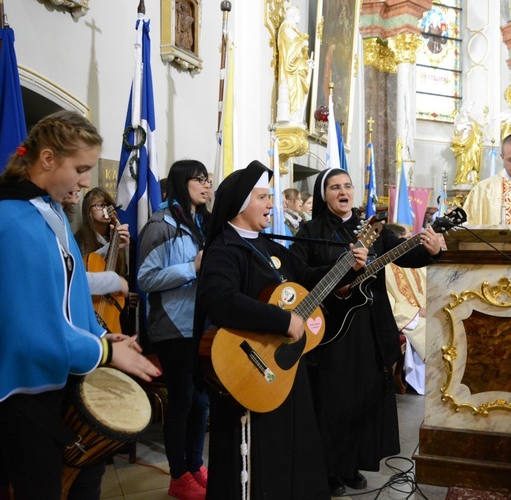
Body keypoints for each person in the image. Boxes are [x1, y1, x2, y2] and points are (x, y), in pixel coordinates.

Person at [0, 110, 161, 500]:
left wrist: (101, 333)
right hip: (21, 387)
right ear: (49, 159)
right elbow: (22, 331)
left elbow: (68, 293)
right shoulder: (10, 221)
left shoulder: (45, 210)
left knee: (84, 480)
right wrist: (103, 351)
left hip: (49, 374)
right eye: (81, 168)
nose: (87, 181)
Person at [195, 160, 368, 499]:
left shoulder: (267, 245)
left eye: (270, 196)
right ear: (241, 203)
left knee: (294, 448)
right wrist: (282, 321)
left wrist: (346, 267)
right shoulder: (224, 249)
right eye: (263, 197)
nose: (271, 204)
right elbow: (220, 300)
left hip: (282, 368)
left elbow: (306, 275)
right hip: (248, 370)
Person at [290, 168, 442, 497]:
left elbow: (405, 254)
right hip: (331, 329)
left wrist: (430, 251)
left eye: (347, 186)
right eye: (335, 187)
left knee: (365, 397)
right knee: (333, 401)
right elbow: (299, 273)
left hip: (371, 326)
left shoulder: (372, 228)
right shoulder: (310, 230)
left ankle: (353, 464)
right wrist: (344, 268)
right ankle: (329, 469)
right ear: (324, 195)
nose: (343, 192)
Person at [137, 160, 211, 500]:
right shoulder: (161, 223)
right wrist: (192, 268)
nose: (206, 185)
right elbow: (145, 278)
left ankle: (195, 466)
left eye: (208, 180)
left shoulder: (200, 222)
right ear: (183, 183)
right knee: (183, 400)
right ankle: (178, 474)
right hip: (172, 326)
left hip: (200, 325)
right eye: (199, 180)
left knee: (202, 402)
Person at [74, 187, 137, 333]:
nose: (105, 209)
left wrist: (126, 295)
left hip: (115, 313)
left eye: (108, 205)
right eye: (99, 205)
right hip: (90, 310)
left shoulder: (118, 238)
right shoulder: (79, 240)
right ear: (88, 211)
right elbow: (85, 270)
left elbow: (120, 274)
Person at [384, 223, 427, 395]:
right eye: (407, 239)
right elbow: (389, 304)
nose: (411, 243)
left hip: (422, 311)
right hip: (408, 317)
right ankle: (425, 381)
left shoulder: (412, 263)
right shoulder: (384, 266)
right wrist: (417, 313)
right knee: (425, 328)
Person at [277, 5, 311, 124]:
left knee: (299, 96)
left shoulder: (293, 30)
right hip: (290, 72)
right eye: (298, 15)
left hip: (297, 70)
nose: (300, 18)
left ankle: (296, 119)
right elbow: (291, 47)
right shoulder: (285, 28)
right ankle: (292, 118)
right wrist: (302, 43)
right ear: (292, 16)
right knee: (292, 95)